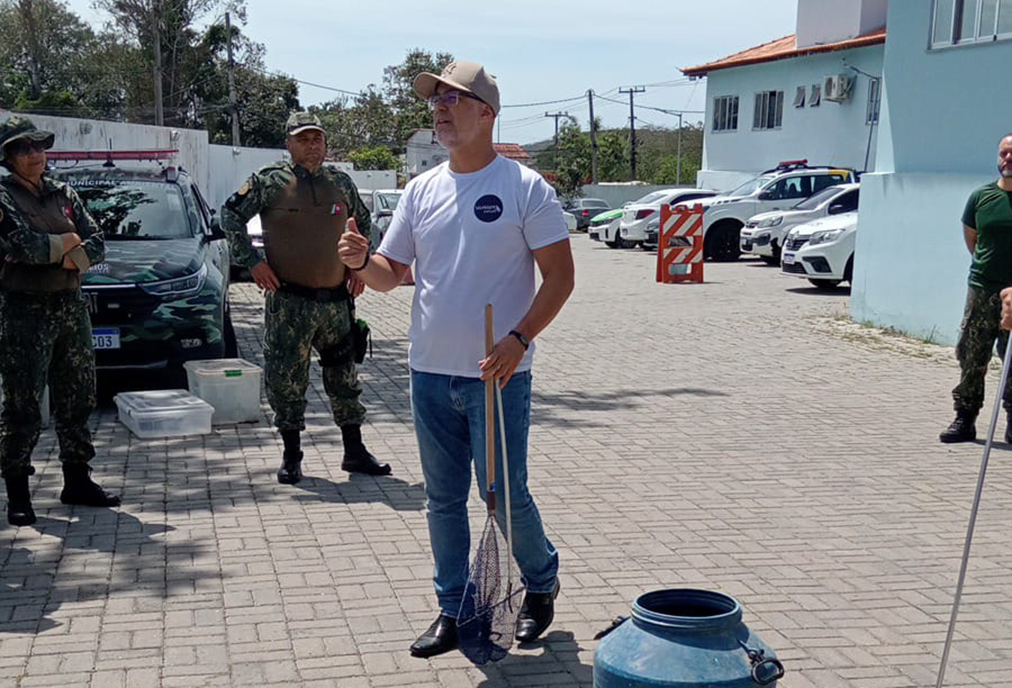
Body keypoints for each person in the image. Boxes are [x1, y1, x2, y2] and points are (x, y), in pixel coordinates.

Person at [338, 61, 575, 658]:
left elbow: (560, 278)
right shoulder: (422, 190)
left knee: (503, 494)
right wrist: (360, 260)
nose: (440, 109)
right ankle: (453, 607)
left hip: (497, 375)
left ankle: (540, 584)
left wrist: (519, 338)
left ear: (487, 113)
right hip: (428, 374)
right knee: (442, 499)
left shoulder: (524, 188)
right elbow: (392, 276)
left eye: (454, 100)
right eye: (436, 101)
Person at [220, 112, 390, 484]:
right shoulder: (269, 182)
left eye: (318, 139)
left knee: (344, 378)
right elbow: (229, 217)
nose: (312, 146)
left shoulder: (341, 183)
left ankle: (354, 451)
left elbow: (364, 226)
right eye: (303, 139)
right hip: (289, 303)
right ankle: (292, 454)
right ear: (289, 144)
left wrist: (361, 268)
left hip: (336, 303)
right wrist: (253, 262)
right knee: (286, 379)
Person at [0, 115, 120, 526]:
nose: (35, 155)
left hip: (69, 306)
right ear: (9, 158)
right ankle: (17, 491)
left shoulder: (62, 193)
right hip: (23, 312)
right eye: (24, 149)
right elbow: (21, 245)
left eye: (38, 146)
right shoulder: (3, 197)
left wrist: (71, 253)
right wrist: (68, 243)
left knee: (78, 398)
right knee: (23, 406)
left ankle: (77, 481)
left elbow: (98, 241)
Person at [941, 133, 1012, 444]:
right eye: (1004, 153)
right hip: (982, 288)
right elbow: (973, 240)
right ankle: (965, 418)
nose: (1008, 159)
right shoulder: (980, 197)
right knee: (972, 354)